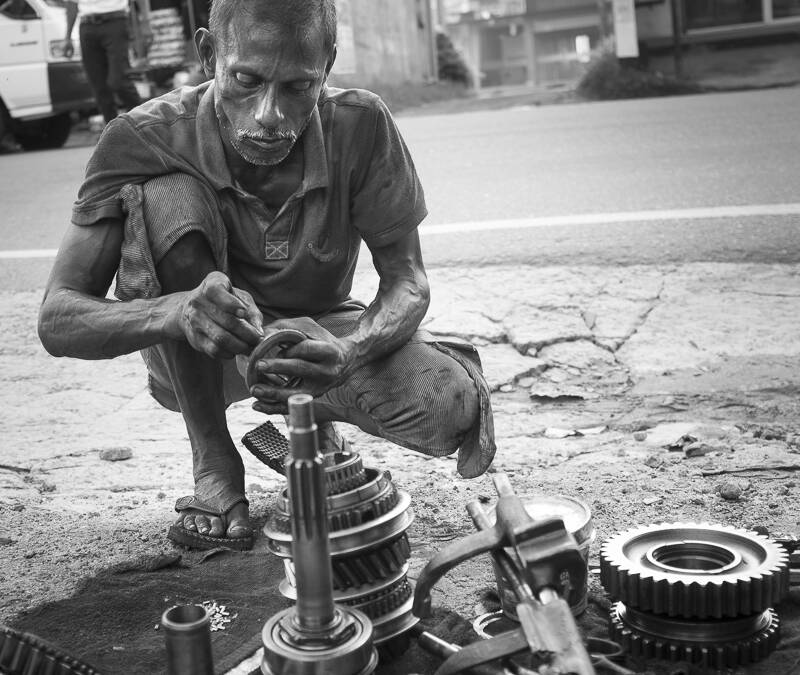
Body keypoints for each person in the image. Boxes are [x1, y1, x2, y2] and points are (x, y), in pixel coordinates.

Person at [39, 0, 495, 551]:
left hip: (319, 339)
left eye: (299, 87)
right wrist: (176, 310)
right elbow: (58, 318)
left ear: (328, 64)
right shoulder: (141, 138)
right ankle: (213, 462)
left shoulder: (363, 122)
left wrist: (350, 351)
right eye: (246, 80)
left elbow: (409, 282)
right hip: (195, 352)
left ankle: (312, 421)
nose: (269, 116)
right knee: (167, 194)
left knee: (446, 406)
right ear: (209, 54)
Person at [64, 0, 142, 124]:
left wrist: (145, 24)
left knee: (118, 81)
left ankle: (144, 122)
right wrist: (67, 37)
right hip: (87, 26)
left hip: (115, 22)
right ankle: (112, 135)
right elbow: (71, 3)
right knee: (99, 87)